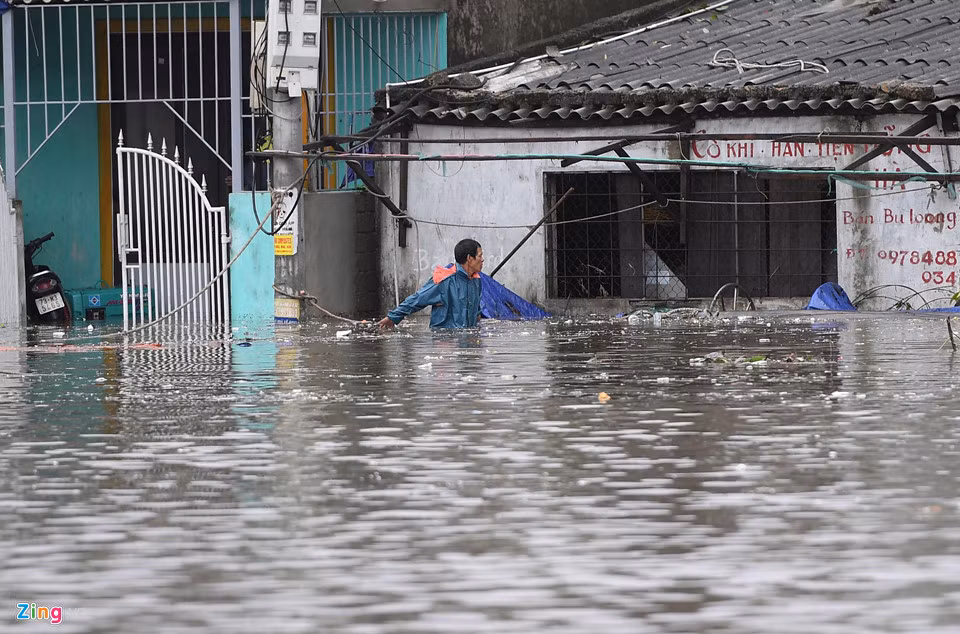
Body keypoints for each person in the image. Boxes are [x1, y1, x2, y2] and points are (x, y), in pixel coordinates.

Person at [378, 239, 484, 330]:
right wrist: (393, 317)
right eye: (480, 256)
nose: (482, 259)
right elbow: (418, 299)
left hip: (468, 341)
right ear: (470, 258)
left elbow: (477, 314)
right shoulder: (444, 280)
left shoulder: (476, 280)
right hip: (445, 343)